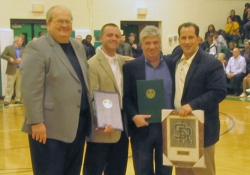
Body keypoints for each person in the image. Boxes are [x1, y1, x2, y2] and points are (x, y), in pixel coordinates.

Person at [20, 5, 91, 175]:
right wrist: (36, 122)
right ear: (48, 23)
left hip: (77, 126)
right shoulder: (36, 48)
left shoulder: (78, 46)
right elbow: (30, 90)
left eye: (68, 21)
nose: (64, 25)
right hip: (49, 129)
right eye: (59, 21)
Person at [170, 22, 227, 175]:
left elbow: (219, 92)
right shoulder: (174, 61)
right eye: (183, 38)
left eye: (190, 37)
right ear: (179, 40)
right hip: (179, 128)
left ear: (198, 39)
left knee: (203, 172)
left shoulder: (211, 63)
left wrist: (192, 105)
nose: (187, 42)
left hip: (203, 129)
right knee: (182, 171)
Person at [123, 25, 173, 175]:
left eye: (155, 42)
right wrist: (134, 116)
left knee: (165, 171)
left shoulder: (172, 64)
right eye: (147, 43)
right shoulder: (131, 67)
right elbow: (126, 98)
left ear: (160, 43)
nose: (152, 46)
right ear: (141, 44)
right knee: (143, 170)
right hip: (142, 128)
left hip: (167, 128)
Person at [83, 23, 128, 175]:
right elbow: (93, 96)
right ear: (101, 37)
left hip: (122, 125)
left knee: (117, 169)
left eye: (116, 35)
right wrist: (104, 120)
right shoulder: (93, 64)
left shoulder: (123, 62)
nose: (113, 38)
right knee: (94, 170)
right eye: (109, 35)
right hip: (102, 127)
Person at [1, 36, 23, 106]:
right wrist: (9, 58)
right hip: (12, 69)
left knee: (19, 85)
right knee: (10, 85)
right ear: (17, 41)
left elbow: (26, 56)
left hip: (20, 69)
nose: (22, 42)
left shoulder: (22, 49)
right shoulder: (8, 48)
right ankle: (7, 100)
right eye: (21, 41)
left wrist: (22, 59)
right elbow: (2, 55)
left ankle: (18, 99)